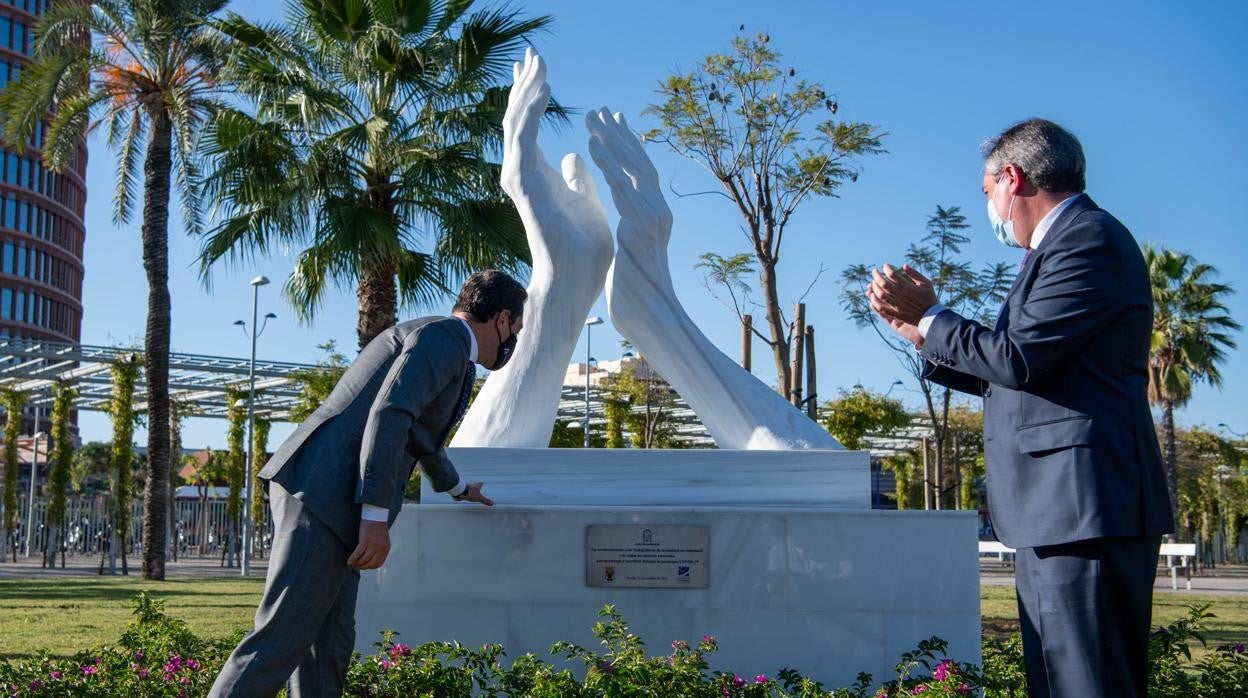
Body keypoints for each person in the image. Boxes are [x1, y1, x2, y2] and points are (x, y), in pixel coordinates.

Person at [868, 118, 1173, 697]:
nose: (992, 209)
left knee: (1089, 684)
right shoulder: (1058, 249)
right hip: (1057, 511)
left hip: (1085, 509)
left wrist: (935, 317)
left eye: (987, 193)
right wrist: (920, 334)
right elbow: (1018, 375)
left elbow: (1018, 359)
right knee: (1058, 682)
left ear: (1012, 177)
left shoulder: (1090, 239)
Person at [209, 269, 526, 698]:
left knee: (329, 646)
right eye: (518, 330)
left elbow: (421, 436)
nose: (515, 342)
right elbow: (391, 414)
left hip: (335, 501)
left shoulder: (442, 341)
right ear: (502, 318)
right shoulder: (445, 338)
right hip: (322, 496)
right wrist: (374, 517)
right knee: (280, 639)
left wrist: (457, 489)